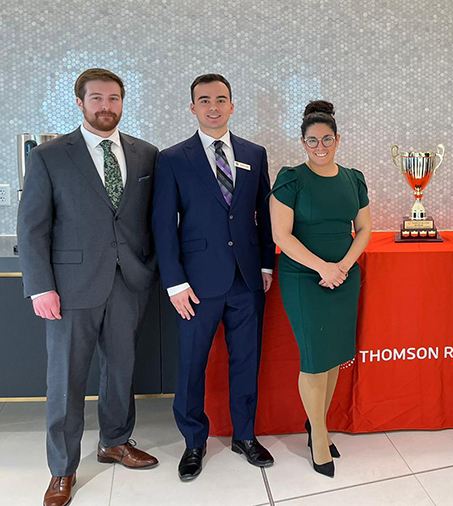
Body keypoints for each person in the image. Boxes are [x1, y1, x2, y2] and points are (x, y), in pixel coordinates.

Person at [17, 68, 160, 506]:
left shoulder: (146, 154)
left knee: (120, 369)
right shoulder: (49, 156)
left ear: (122, 102)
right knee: (66, 380)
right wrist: (40, 287)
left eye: (114, 98)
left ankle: (115, 441)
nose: (106, 106)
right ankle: (62, 470)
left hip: (128, 282)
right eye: (96, 98)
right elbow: (32, 227)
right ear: (79, 103)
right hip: (70, 287)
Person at [151, 74, 276, 481]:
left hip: (246, 279)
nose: (213, 106)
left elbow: (263, 213)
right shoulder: (172, 158)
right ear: (192, 108)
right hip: (195, 284)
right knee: (191, 364)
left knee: (246, 360)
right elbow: (163, 226)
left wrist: (266, 265)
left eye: (221, 99)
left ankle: (244, 435)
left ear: (232, 105)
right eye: (204, 100)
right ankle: (193, 441)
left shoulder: (254, 154)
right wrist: (174, 282)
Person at [269, 100, 371, 478]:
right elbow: (281, 234)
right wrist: (322, 268)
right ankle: (320, 436)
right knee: (314, 358)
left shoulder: (354, 178)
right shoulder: (290, 178)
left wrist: (342, 267)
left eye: (327, 139)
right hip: (304, 279)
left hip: (343, 278)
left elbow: (363, 230)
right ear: (303, 142)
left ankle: (318, 426)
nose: (320, 147)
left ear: (338, 138)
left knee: (332, 356)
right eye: (312, 141)